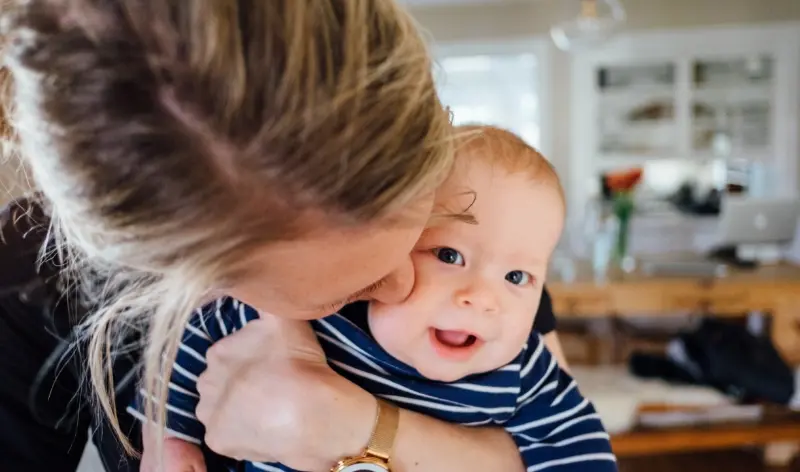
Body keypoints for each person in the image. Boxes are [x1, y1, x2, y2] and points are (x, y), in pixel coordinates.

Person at [0, 1, 572, 470]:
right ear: (185, 276)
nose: (407, 282)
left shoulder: (481, 236)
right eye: (347, 288)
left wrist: (363, 431)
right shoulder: (23, 289)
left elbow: (561, 443)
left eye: (423, 232)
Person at [136, 126, 616, 472]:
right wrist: (170, 440)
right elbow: (193, 336)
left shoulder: (521, 370)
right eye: (448, 255)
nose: (481, 297)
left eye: (517, 276)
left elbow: (579, 450)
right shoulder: (324, 310)